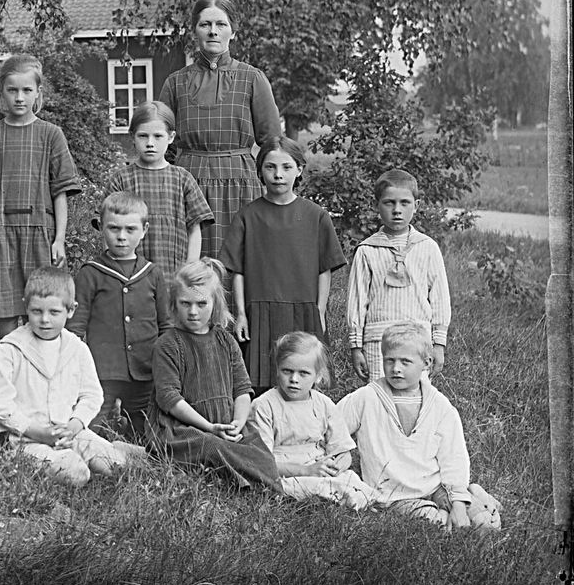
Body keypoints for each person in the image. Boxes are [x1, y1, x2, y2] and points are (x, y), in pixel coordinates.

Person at [0, 267, 149, 487]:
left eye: (54, 312)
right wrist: (37, 431)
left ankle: (117, 451)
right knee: (76, 473)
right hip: (29, 439)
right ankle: (66, 459)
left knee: (116, 467)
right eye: (36, 311)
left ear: (71, 310)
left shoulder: (76, 347)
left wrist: (75, 424)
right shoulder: (11, 348)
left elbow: (92, 395)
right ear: (26, 306)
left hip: (71, 433)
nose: (44, 320)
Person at [338, 322, 501, 529]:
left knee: (484, 523)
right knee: (437, 525)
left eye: (405, 362)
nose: (396, 368)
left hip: (436, 488)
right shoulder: (366, 398)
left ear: (426, 363)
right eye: (389, 361)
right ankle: (463, 502)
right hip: (394, 497)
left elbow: (454, 457)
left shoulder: (440, 405)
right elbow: (332, 427)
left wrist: (458, 503)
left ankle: (472, 495)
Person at [157, 0, 282, 263]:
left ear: (233, 31)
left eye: (221, 24)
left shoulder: (252, 78)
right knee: (189, 265)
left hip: (240, 185)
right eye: (205, 24)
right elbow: (160, 142)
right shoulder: (175, 82)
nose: (213, 31)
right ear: (195, 31)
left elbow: (273, 143)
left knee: (240, 263)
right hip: (188, 184)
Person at [219, 137, 346, 392]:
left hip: (303, 311)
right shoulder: (248, 216)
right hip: (260, 313)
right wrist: (241, 314)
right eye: (270, 167)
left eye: (286, 167)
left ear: (299, 170)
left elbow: (325, 269)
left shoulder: (316, 216)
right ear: (259, 171)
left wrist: (319, 311)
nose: (278, 175)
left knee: (304, 380)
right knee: (260, 384)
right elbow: (238, 271)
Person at [146, 258, 282, 492]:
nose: (193, 312)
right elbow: (170, 399)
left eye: (201, 303)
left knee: (259, 452)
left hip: (223, 423)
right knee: (210, 446)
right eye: (185, 303)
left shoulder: (226, 341)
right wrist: (209, 427)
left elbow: (242, 390)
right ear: (173, 304)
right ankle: (241, 485)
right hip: (181, 429)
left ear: (215, 303)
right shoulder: (167, 345)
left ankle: (266, 487)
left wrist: (238, 423)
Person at [0, 54, 82, 338]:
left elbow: (61, 190)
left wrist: (59, 238)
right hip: (1, 232)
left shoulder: (51, 135)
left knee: (45, 301)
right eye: (12, 90)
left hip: (41, 233)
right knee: (7, 309)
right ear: (1, 92)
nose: (20, 98)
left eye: (27, 90)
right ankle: (10, 364)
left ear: (38, 93)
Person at [67, 191, 171, 439]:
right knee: (92, 429)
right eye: (114, 228)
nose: (122, 237)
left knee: (148, 432)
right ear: (101, 227)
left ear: (144, 230)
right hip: (103, 370)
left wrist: (164, 364)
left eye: (130, 229)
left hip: (145, 370)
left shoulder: (152, 273)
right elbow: (76, 326)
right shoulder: (91, 273)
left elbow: (165, 324)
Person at [346, 168, 452, 382]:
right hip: (379, 343)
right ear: (377, 206)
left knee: (415, 399)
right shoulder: (367, 250)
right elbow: (357, 301)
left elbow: (440, 299)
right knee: (379, 399)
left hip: (417, 342)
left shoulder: (427, 247)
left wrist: (438, 344)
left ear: (416, 206)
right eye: (389, 203)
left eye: (404, 203)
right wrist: (356, 347)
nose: (397, 210)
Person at [249, 332, 375, 508]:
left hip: (318, 467)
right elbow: (262, 462)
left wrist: (338, 465)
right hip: (285, 472)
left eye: (303, 373)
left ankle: (352, 496)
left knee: (351, 479)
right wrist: (307, 471)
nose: (294, 379)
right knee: (302, 486)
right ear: (277, 370)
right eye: (287, 371)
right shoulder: (263, 405)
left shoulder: (323, 404)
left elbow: (342, 450)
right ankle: (337, 497)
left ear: (317, 376)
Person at [105, 100, 213, 275]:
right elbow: (108, 227)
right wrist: (115, 271)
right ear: (132, 136)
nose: (150, 143)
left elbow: (195, 229)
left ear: (170, 137)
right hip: (130, 277)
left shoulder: (183, 179)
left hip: (174, 274)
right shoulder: (121, 179)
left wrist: (189, 270)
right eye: (143, 136)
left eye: (157, 136)